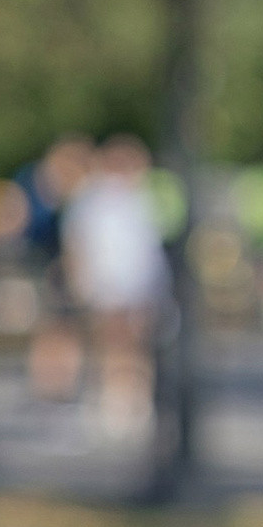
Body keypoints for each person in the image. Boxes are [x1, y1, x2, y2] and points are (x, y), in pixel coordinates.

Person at [59, 135, 166, 426]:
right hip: (109, 283)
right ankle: (113, 399)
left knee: (134, 344)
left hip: (136, 284)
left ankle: (133, 398)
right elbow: (79, 243)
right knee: (113, 343)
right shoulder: (95, 199)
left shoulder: (141, 198)